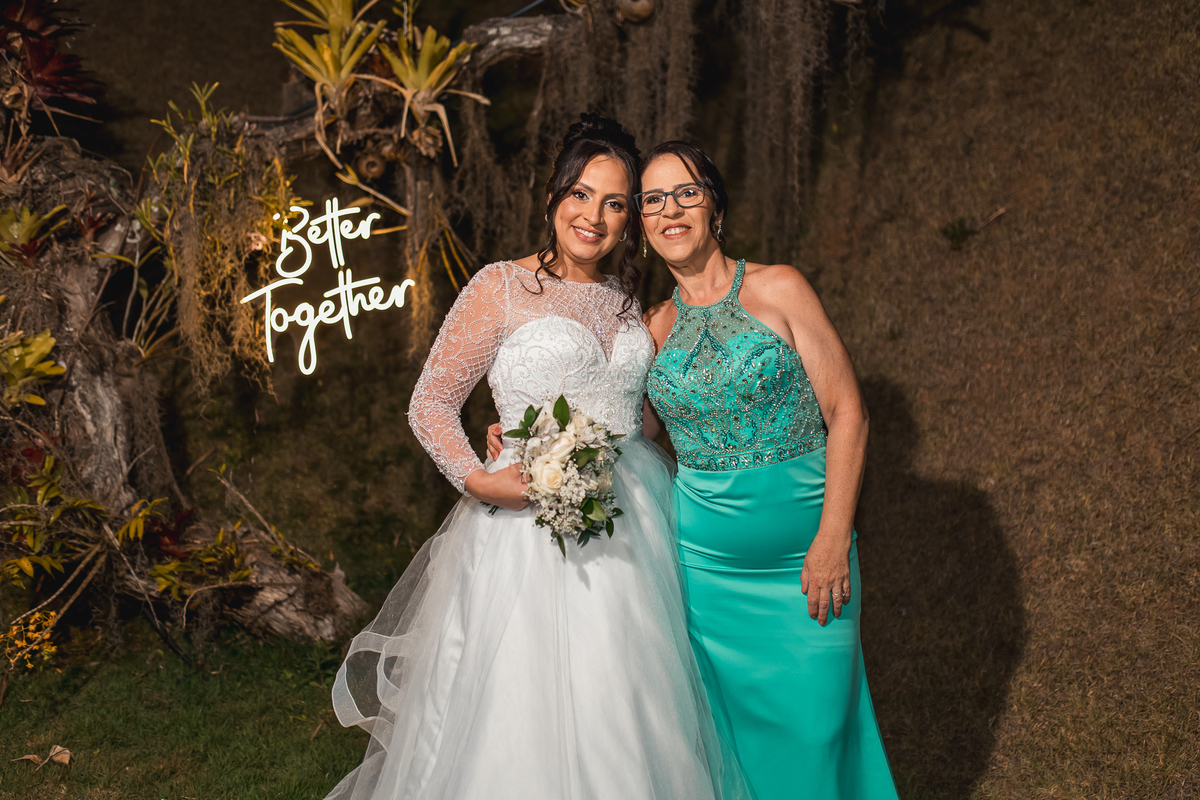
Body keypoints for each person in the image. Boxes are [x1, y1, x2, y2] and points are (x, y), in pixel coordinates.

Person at [323, 116, 747, 800]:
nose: (593, 217)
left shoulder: (626, 302)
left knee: (628, 696)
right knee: (523, 705)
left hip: (636, 521)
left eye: (614, 203)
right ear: (552, 196)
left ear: (630, 220)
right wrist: (481, 479)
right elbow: (430, 402)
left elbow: (637, 418)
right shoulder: (499, 287)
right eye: (580, 194)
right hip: (528, 531)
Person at [638, 141, 899, 800]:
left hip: (807, 558)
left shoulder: (779, 287)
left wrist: (833, 538)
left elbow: (847, 413)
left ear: (715, 208)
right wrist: (527, 433)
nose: (671, 210)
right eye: (653, 200)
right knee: (739, 753)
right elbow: (628, 436)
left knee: (818, 734)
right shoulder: (652, 328)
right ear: (641, 224)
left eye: (686, 193)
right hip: (707, 576)